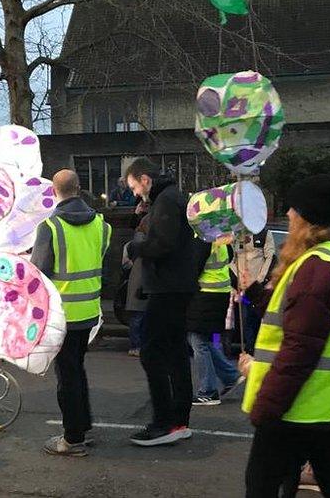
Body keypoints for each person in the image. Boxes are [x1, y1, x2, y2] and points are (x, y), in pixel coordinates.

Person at [240, 174, 330, 498]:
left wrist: (266, 405)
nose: (290, 216)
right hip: (319, 401)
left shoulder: (315, 267)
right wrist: (253, 292)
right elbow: (293, 316)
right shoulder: (328, 258)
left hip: (299, 402)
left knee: (261, 483)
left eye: (294, 210)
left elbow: (299, 348)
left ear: (307, 219)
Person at [31, 169, 111, 456]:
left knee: (67, 376)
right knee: (76, 369)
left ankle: (73, 438)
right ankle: (81, 426)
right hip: (90, 312)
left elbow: (38, 274)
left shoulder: (50, 227)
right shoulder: (102, 225)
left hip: (62, 316)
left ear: (55, 192)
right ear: (79, 188)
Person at [124, 158, 197, 446]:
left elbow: (162, 245)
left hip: (168, 288)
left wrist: (135, 247)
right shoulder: (170, 198)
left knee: (152, 353)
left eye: (134, 186)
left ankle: (164, 422)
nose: (134, 193)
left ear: (144, 179)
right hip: (176, 287)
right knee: (177, 353)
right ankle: (178, 420)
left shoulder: (166, 201)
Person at [187, 235, 242, 407]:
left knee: (197, 340)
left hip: (205, 295)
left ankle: (208, 391)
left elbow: (194, 268)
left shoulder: (202, 239)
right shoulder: (222, 239)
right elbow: (229, 258)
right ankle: (230, 375)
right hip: (220, 293)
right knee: (206, 339)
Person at [233, 227, 277, 354]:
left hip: (257, 288)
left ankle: (256, 347)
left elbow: (270, 257)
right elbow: (235, 258)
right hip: (243, 287)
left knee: (256, 316)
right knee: (245, 316)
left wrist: (260, 279)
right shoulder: (238, 234)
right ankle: (250, 347)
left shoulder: (264, 233)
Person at [122, 204, 149, 356]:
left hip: (137, 283)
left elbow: (125, 265)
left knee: (137, 318)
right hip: (219, 295)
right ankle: (219, 347)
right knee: (216, 332)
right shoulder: (145, 243)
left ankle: (136, 345)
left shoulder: (132, 244)